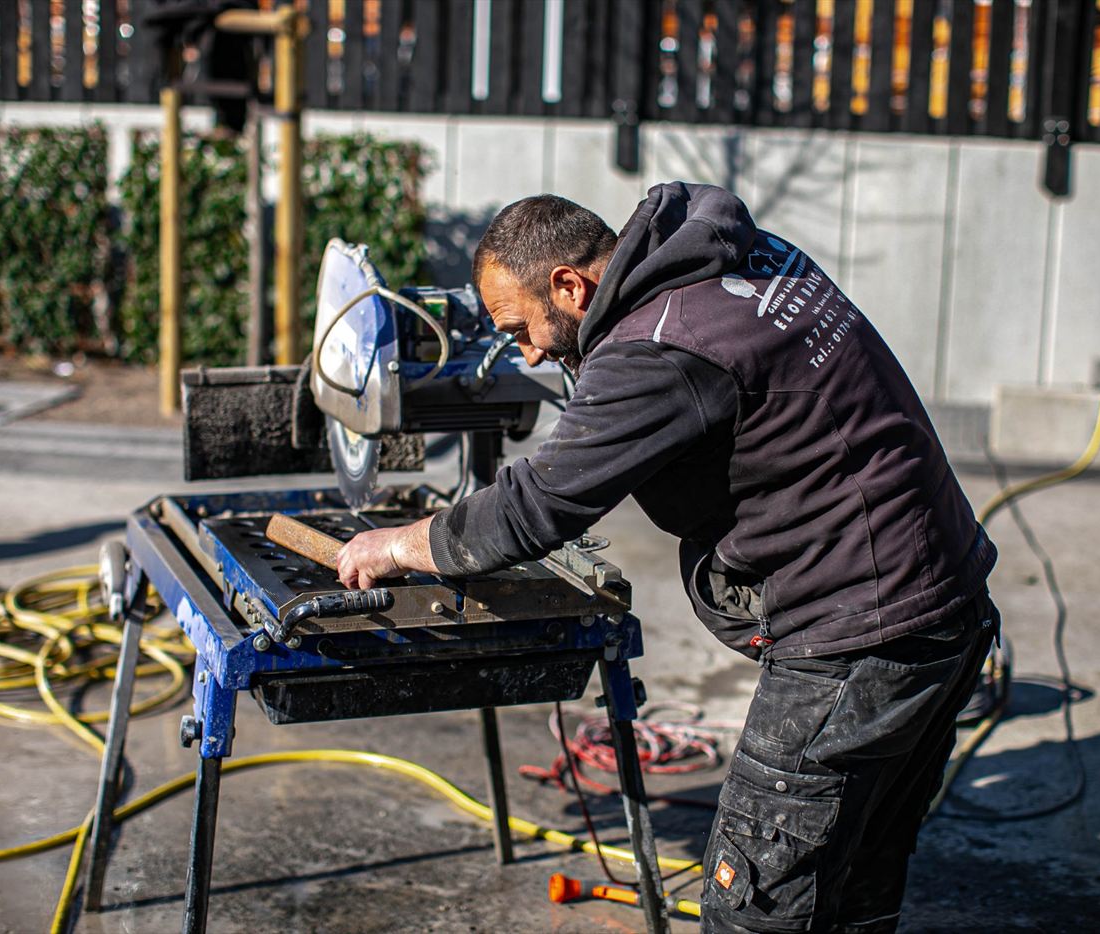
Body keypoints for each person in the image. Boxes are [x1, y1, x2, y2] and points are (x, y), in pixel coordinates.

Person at [335, 182, 998, 933]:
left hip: (858, 632)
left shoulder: (658, 345)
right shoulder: (738, 256)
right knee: (853, 884)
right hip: (948, 597)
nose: (525, 352)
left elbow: (537, 507)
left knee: (754, 904)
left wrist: (397, 544)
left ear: (569, 285)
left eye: (521, 328)